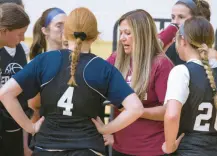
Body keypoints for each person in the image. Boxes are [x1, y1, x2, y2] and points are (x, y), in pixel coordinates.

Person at [0, 7, 144, 156]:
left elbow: (5, 93)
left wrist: (30, 127)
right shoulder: (104, 68)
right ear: (95, 37)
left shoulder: (44, 60)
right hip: (88, 148)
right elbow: (136, 108)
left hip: (47, 148)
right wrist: (106, 129)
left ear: (65, 34)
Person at [106, 9, 174, 156]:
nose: (122, 38)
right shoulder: (115, 59)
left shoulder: (161, 64)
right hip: (121, 146)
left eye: (128, 33)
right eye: (121, 33)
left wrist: (137, 111)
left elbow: (168, 111)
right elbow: (97, 92)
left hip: (152, 148)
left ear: (142, 35)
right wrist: (106, 131)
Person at [163, 16, 217, 155]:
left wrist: (169, 146)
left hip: (189, 149)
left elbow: (172, 115)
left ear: (183, 41)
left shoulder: (181, 71)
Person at [0, 3, 31, 156]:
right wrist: (31, 127)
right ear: (4, 31)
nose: (23, 38)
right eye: (20, 33)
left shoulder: (20, 51)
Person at [166, 0, 217, 65]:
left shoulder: (213, 56)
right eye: (173, 17)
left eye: (181, 17)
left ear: (195, 20)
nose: (175, 22)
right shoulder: (170, 48)